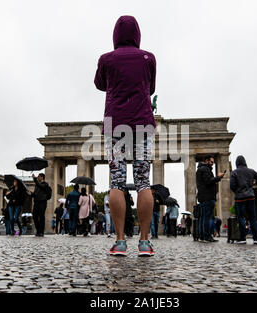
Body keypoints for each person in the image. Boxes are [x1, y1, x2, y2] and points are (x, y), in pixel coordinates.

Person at [95, 15, 156, 256]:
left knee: (117, 181)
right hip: (142, 123)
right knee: (143, 181)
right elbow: (150, 87)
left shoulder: (106, 59)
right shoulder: (148, 58)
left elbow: (100, 84)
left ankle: (120, 241)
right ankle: (144, 242)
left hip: (115, 124)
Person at [230, 155, 257, 244]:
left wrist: (237, 191)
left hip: (240, 198)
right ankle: (255, 238)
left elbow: (232, 186)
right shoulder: (251, 171)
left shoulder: (234, 172)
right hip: (250, 196)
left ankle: (243, 238)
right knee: (252, 218)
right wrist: (254, 184)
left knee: (241, 218)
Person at [196, 155, 225, 242]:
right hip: (208, 196)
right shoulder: (205, 169)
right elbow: (208, 181)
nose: (212, 164)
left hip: (203, 197)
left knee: (203, 217)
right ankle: (207, 236)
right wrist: (218, 177)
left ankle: (202, 236)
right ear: (206, 161)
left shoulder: (200, 169)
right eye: (211, 162)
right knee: (207, 217)